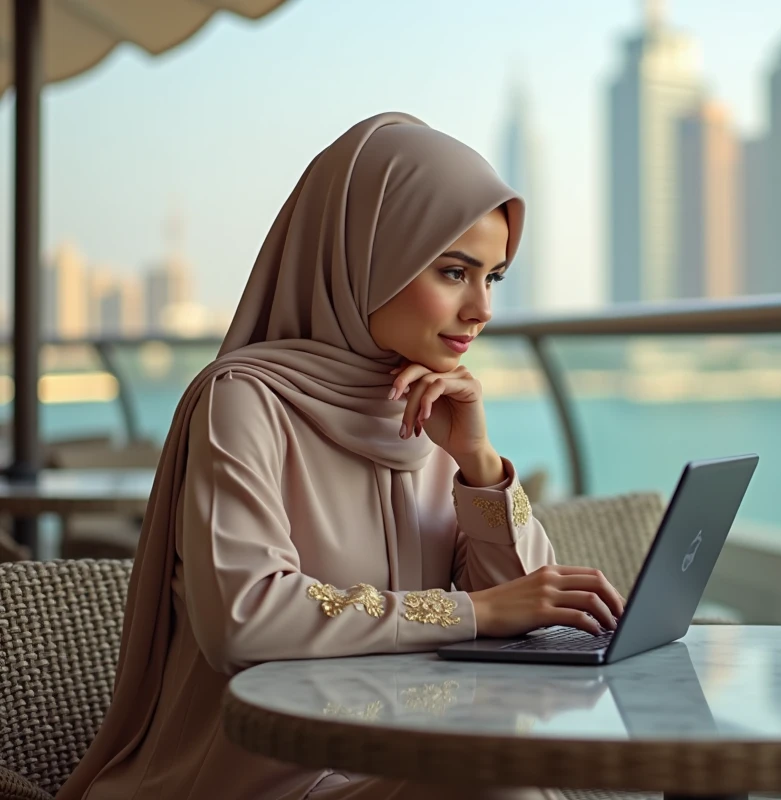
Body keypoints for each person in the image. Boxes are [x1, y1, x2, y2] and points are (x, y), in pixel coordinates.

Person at [58, 112, 625, 800]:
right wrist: (477, 614)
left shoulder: (427, 409)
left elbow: (528, 615)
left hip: (405, 759)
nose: (482, 310)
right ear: (364, 256)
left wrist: (478, 462)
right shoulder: (244, 402)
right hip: (260, 778)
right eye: (454, 272)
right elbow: (247, 619)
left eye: (494, 278)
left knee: (505, 779)